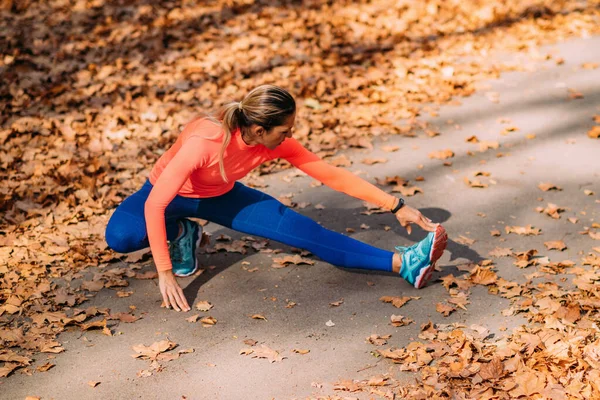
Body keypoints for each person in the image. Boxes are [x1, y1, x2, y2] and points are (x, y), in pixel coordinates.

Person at [105, 85, 447, 312]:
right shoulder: (205, 141)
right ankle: (183, 233)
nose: (291, 136)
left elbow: (330, 174)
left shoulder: (277, 143)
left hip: (221, 197)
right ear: (258, 131)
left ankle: (404, 263)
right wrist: (164, 273)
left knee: (307, 232)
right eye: (285, 130)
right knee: (120, 236)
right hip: (165, 194)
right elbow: (154, 205)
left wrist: (397, 206)